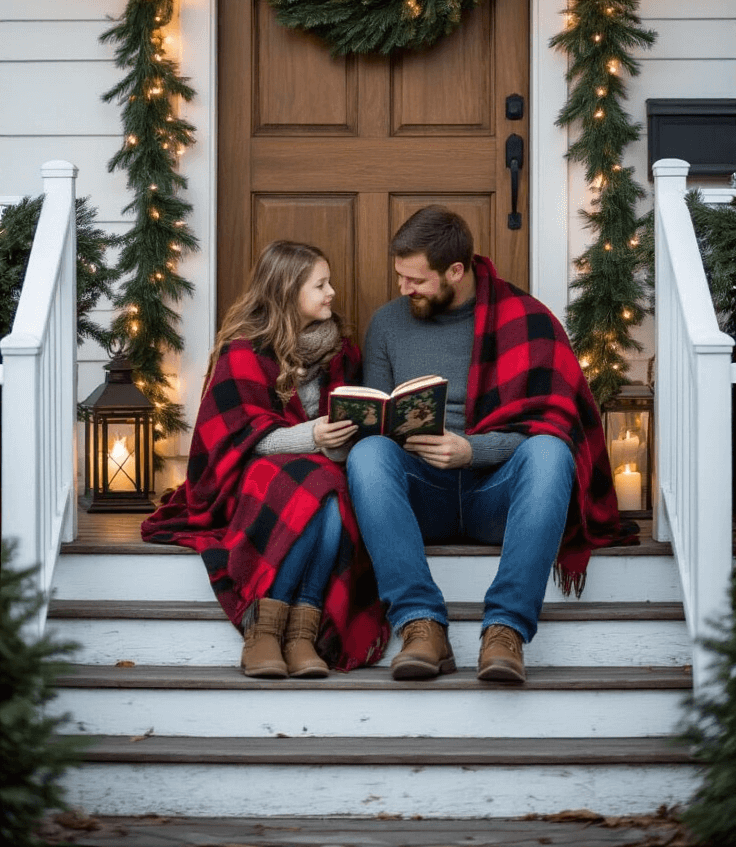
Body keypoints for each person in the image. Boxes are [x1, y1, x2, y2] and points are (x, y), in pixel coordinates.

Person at [346, 206, 637, 686]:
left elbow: (555, 423)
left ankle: (505, 631)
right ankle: (421, 625)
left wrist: (472, 451)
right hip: (423, 494)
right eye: (400, 277)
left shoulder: (528, 320)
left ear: (455, 271)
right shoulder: (387, 324)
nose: (403, 290)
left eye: (415, 280)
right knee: (367, 455)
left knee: (550, 453)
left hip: (496, 496)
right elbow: (378, 414)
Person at [141, 241, 388, 678]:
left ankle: (300, 633)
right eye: (320, 284)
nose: (332, 292)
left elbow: (351, 425)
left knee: (328, 492)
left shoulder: (341, 353)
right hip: (252, 479)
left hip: (323, 475)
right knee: (315, 485)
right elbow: (236, 441)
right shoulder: (244, 353)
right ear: (288, 291)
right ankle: (266, 630)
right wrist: (311, 436)